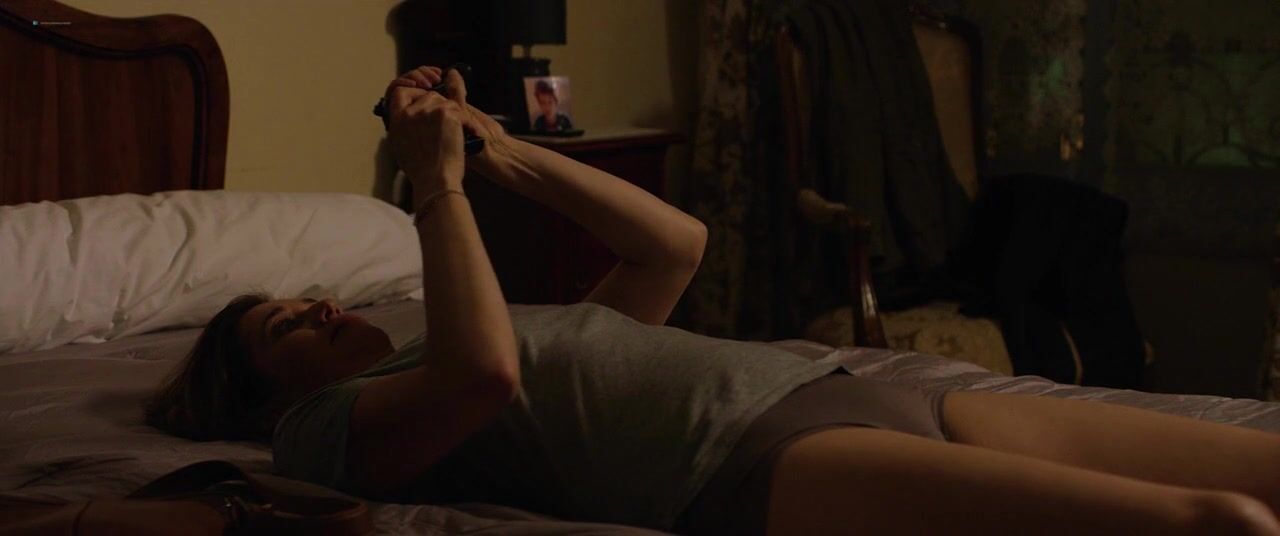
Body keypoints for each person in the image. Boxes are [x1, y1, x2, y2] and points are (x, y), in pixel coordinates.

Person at [145, 66, 1280, 536]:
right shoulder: (320, 432)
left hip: (838, 386)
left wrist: (496, 150)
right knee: (1211, 526)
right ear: (259, 391)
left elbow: (672, 246)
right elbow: (481, 370)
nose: (320, 309)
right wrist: (433, 184)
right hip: (754, 462)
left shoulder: (500, 341)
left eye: (310, 297)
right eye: (285, 325)